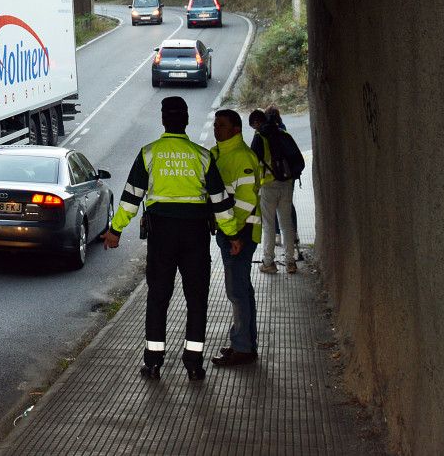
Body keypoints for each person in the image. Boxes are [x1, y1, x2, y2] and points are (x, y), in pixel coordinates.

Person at [103, 96, 238, 381]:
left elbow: (130, 198)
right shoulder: (202, 156)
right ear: (186, 121)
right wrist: (233, 234)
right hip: (195, 234)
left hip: (161, 234)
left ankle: (153, 362)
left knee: (158, 297)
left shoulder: (149, 153)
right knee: (197, 298)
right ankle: (194, 363)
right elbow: (220, 202)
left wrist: (115, 231)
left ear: (163, 120)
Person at [209, 109, 263, 366]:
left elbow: (246, 200)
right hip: (232, 232)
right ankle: (245, 344)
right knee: (242, 290)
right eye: (215, 125)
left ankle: (242, 348)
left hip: (239, 234)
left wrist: (234, 234)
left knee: (237, 292)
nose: (216, 129)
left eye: (221, 126)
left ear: (236, 130)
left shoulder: (240, 156)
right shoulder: (219, 153)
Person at [251, 109, 301, 274]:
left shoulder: (259, 138)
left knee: (269, 225)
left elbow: (252, 162)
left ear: (257, 123)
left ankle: (268, 262)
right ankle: (290, 262)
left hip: (268, 185)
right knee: (286, 224)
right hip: (286, 183)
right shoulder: (282, 132)